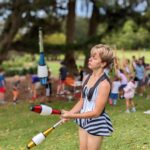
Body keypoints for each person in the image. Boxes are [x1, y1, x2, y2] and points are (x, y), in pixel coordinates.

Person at [61, 44, 114, 150]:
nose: (90, 59)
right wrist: (69, 113)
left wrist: (72, 116)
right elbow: (82, 101)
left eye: (94, 58)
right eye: (90, 57)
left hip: (96, 121)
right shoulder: (86, 77)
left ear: (103, 63)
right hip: (84, 119)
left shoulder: (104, 84)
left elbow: (96, 112)